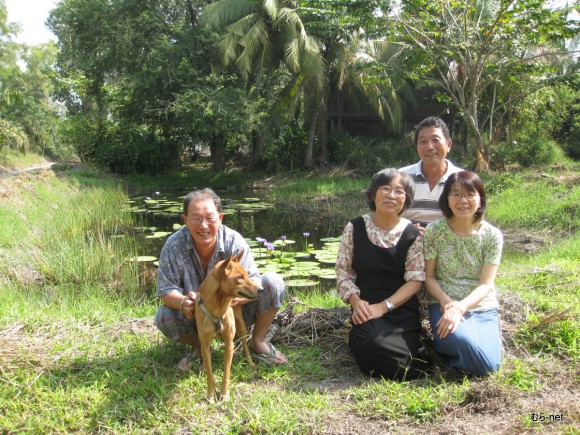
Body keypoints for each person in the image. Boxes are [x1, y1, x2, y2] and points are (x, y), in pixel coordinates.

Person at [155, 188, 287, 369]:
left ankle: (257, 342)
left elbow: (254, 281)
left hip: (235, 312)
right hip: (198, 316)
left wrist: (237, 296)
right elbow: (165, 290)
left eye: (210, 218)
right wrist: (183, 302)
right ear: (185, 220)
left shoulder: (234, 241)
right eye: (196, 219)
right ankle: (202, 347)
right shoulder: (173, 245)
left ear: (220, 218)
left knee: (274, 283)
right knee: (164, 317)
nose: (203, 226)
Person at [335, 168, 428, 380]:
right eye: (385, 189)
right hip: (365, 307)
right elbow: (343, 271)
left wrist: (384, 307)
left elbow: (414, 281)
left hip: (400, 308)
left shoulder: (413, 234)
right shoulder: (355, 227)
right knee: (369, 345)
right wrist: (356, 302)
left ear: (406, 199)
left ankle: (416, 353)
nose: (391, 195)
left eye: (399, 191)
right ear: (373, 194)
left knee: (402, 366)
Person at [423, 171, 503, 376]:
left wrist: (461, 307)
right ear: (447, 199)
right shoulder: (434, 231)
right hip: (443, 303)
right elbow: (429, 277)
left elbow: (486, 284)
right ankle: (445, 347)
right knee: (460, 340)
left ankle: (456, 357)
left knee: (489, 365)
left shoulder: (492, 236)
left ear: (480, 199)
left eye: (470, 194)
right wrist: (448, 303)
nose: (463, 200)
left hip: (480, 306)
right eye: (456, 194)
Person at [399, 116, 463, 227]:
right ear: (416, 146)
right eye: (423, 141)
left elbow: (471, 221)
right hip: (407, 241)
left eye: (435, 140)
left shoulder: (462, 180)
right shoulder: (401, 177)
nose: (429, 147)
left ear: (448, 145)